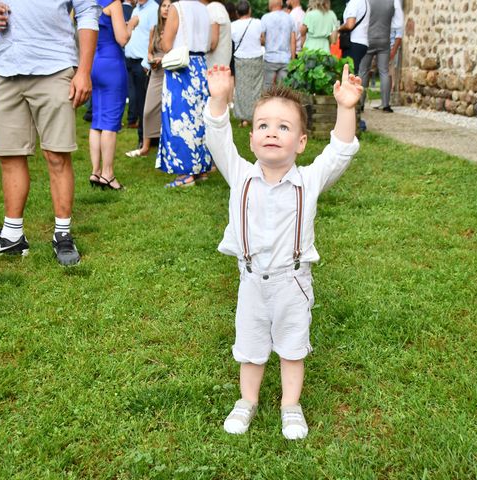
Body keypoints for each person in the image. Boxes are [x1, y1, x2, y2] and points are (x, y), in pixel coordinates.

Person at [204, 63, 362, 439]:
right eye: (263, 126)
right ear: (252, 139)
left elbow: (339, 151)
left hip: (293, 283)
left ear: (301, 142)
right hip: (251, 283)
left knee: (293, 348)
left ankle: (291, 405)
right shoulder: (240, 175)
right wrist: (219, 98)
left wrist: (346, 108)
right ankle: (247, 400)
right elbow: (216, 138)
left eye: (283, 127)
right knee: (250, 346)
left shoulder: (308, 180)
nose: (272, 132)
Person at [0, 0, 100, 266]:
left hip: (54, 66)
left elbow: (87, 13)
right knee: (9, 155)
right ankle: (12, 236)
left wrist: (84, 71)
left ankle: (62, 234)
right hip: (6, 68)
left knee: (57, 155)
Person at [156, 0, 212, 188]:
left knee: (180, 120)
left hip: (182, 68)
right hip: (200, 66)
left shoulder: (177, 8)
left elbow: (166, 45)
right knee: (199, 119)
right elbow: (211, 43)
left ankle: (185, 174)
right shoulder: (205, 9)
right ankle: (202, 168)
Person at [89, 0, 130, 191]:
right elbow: (122, 38)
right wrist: (132, 25)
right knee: (110, 122)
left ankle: (95, 171)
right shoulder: (114, 3)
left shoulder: (86, 3)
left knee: (97, 120)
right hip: (112, 63)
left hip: (94, 63)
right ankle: (108, 174)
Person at [126, 0, 170, 158]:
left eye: (169, 6)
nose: (165, 9)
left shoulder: (175, 29)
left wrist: (161, 59)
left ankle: (165, 146)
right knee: (147, 110)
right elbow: (150, 50)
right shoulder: (155, 28)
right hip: (155, 71)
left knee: (168, 111)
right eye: (164, 6)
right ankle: (145, 146)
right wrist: (151, 59)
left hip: (171, 70)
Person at [124, 0, 159, 149]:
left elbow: (155, 38)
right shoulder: (136, 9)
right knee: (137, 101)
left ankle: (146, 139)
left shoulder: (154, 9)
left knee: (145, 104)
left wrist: (146, 63)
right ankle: (147, 138)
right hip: (130, 60)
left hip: (142, 64)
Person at [358, 0, 403, 113]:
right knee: (384, 71)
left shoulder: (366, 1)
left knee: (363, 71)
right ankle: (386, 104)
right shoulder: (393, 1)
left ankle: (360, 103)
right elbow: (398, 24)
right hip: (384, 39)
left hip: (368, 38)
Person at [231, 0, 263, 128]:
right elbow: (262, 38)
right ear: (249, 10)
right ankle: (256, 115)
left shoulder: (233, 25)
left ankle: (244, 118)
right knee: (256, 88)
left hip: (240, 58)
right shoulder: (258, 23)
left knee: (241, 89)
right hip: (256, 57)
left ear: (237, 12)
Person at [338, 0, 370, 75]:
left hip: (353, 42)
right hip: (362, 42)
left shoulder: (354, 2)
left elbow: (350, 24)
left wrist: (339, 28)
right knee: (353, 73)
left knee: (349, 74)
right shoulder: (365, 2)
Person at [206, 0, 233, 71]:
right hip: (222, 66)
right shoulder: (221, 8)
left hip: (213, 68)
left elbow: (212, 44)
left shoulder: (212, 9)